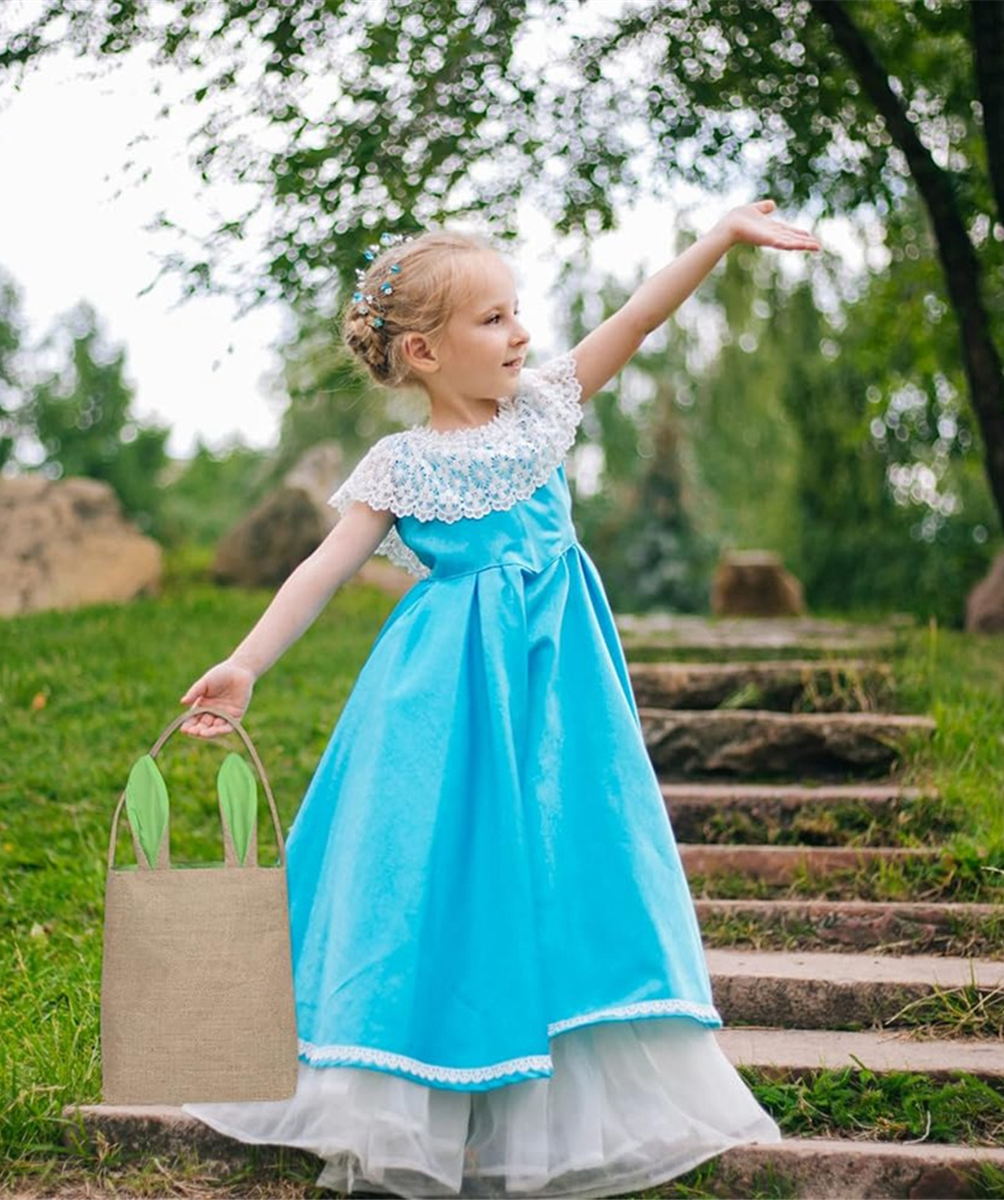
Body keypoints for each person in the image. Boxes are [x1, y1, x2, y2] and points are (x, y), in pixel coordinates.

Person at [177, 201, 820, 1198]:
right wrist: (247, 662)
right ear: (426, 353)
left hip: (557, 689)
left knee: (569, 858)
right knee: (433, 866)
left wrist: (721, 237)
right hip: (438, 698)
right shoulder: (399, 468)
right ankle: (420, 1078)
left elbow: (639, 320)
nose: (521, 332)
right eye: (493, 319)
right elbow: (321, 568)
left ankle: (551, 1078)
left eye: (518, 311)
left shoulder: (546, 406)